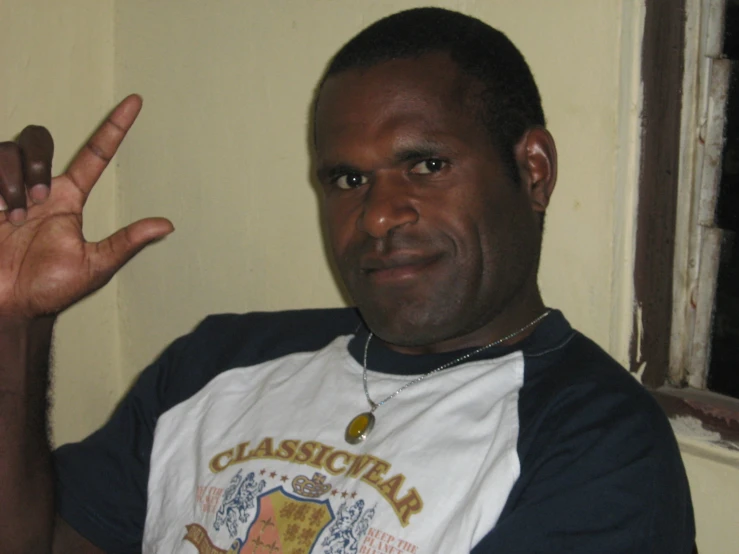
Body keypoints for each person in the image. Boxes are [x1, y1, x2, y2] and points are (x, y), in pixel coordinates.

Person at [0, 7, 694, 554]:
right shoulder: (217, 362)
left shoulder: (594, 442)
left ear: (532, 171)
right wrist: (16, 324)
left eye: (425, 165)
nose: (378, 214)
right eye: (347, 179)